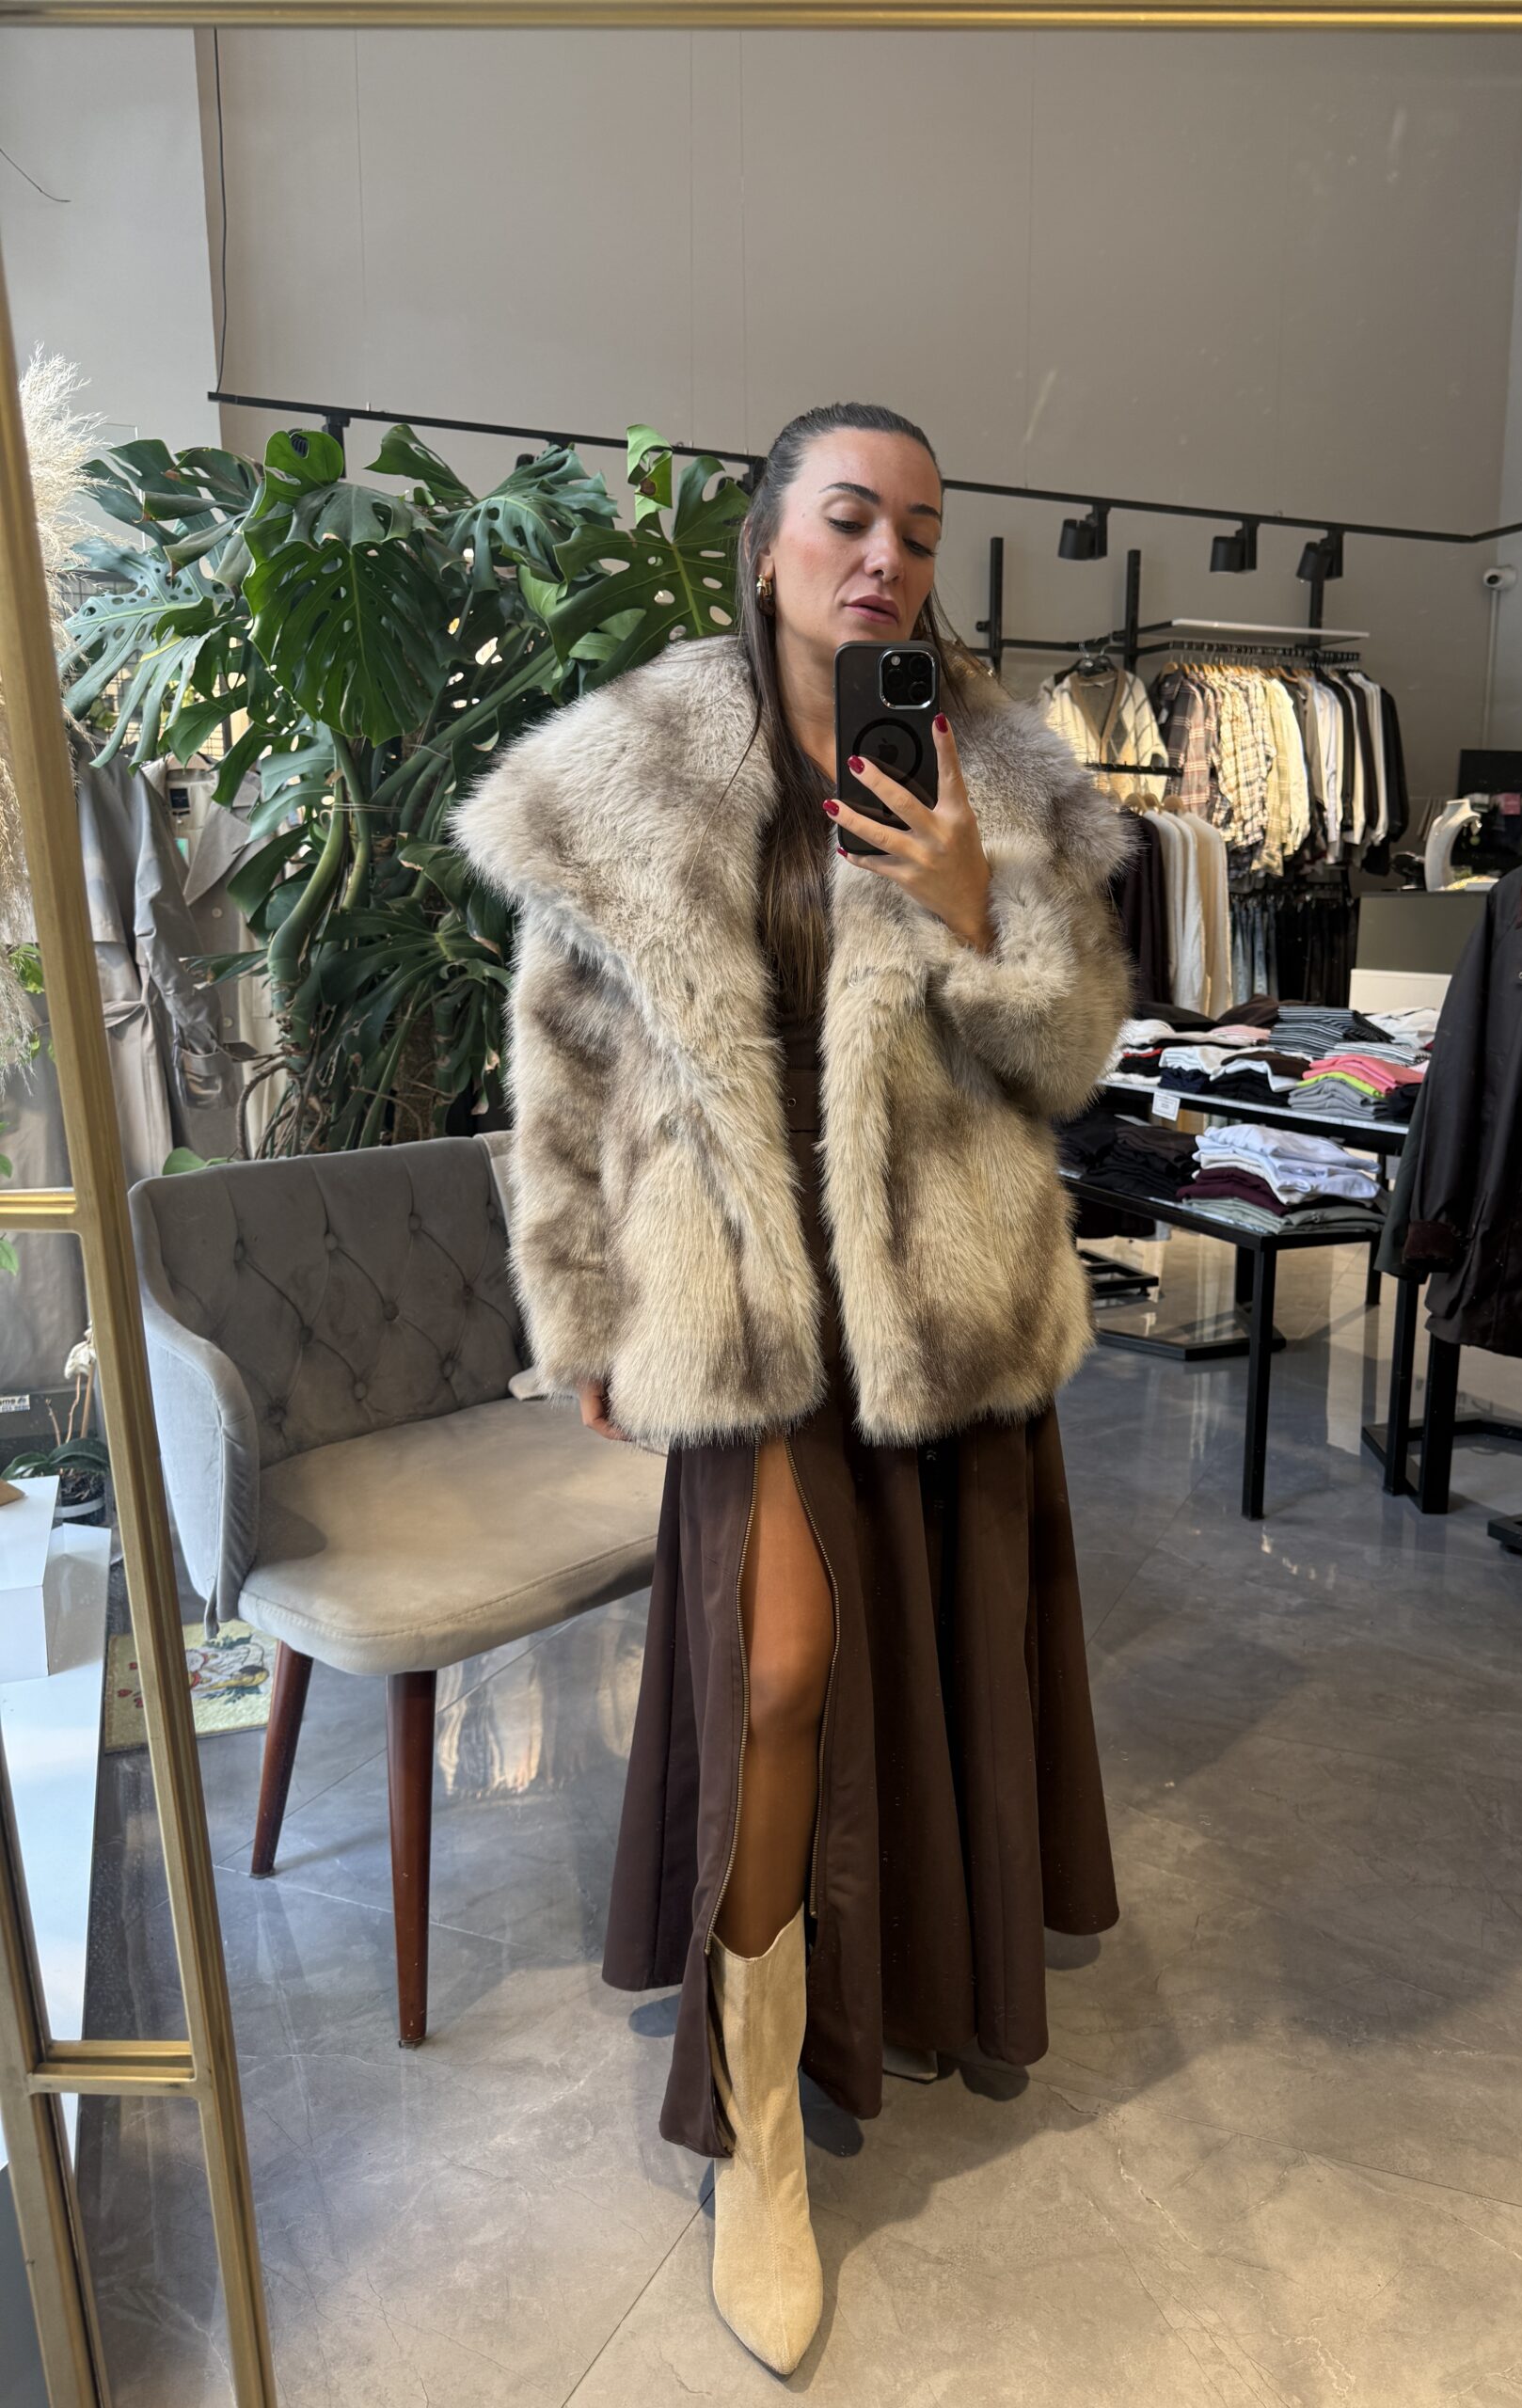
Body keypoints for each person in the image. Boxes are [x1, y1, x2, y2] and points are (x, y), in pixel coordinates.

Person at [453, 400, 1125, 2374]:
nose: (885, 558)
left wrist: (978, 908)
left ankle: (896, 1988)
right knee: (778, 1672)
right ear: (767, 545)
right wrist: (583, 1313)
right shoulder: (630, 774)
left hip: (943, 1302)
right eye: (848, 518)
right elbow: (560, 1069)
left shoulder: (1001, 766)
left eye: (918, 527)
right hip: (740, 1305)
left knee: (919, 1666)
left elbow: (1072, 1056)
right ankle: (758, 2124)